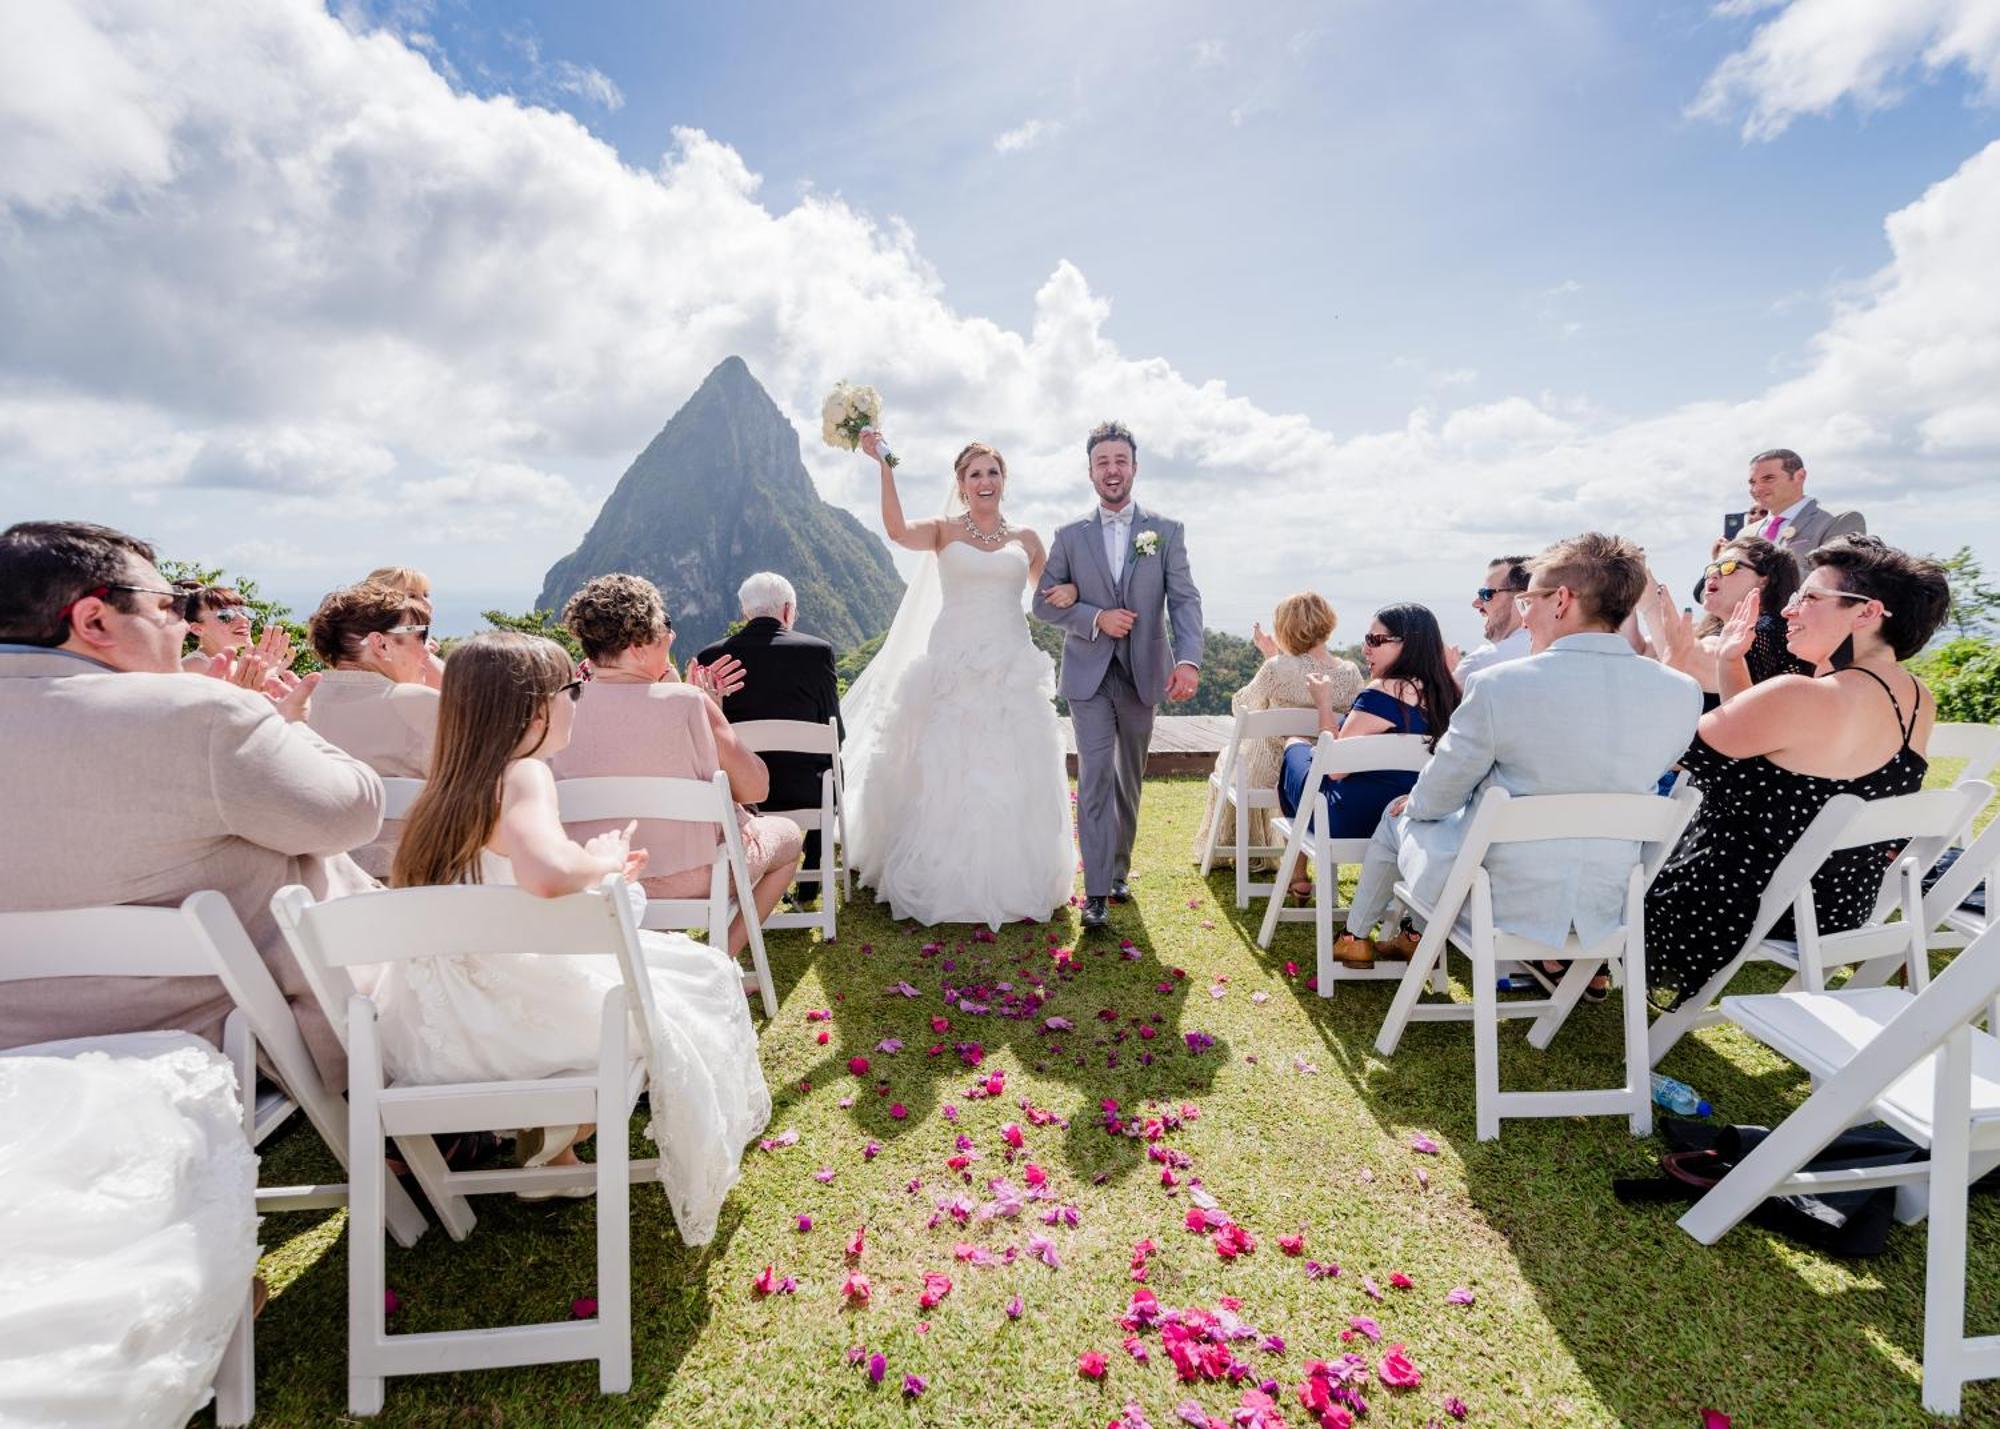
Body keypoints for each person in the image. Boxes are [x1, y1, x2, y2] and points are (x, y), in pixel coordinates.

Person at [381, 632, 770, 1237]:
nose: (576, 701)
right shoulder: (525, 776)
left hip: (436, 1033)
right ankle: (564, 1134)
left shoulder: (442, 793)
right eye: (572, 690)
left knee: (675, 976)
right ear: (537, 709)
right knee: (703, 978)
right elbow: (546, 874)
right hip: (512, 1029)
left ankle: (557, 1155)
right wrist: (605, 862)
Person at [0, 521, 377, 1081]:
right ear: (94, 620)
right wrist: (285, 721)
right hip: (211, 1041)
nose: (181, 623)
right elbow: (350, 815)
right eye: (172, 606)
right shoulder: (200, 714)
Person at [1335, 533, 1703, 974]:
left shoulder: (1500, 686)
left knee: (1400, 813)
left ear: (1561, 600)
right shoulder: (1682, 693)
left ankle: (1357, 937)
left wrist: (1412, 804)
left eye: (1528, 601)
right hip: (1606, 904)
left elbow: (1436, 798)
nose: (1525, 618)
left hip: (1497, 901)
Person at [1644, 536, 1949, 1007]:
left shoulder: (1801, 695)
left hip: (1722, 904)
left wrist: (1670, 664)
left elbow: (1664, 748)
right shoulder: (1916, 699)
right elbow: (1763, 741)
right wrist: (1732, 661)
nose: (1789, 610)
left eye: (1808, 597)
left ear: (1867, 613)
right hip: (1835, 905)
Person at [841, 432, 1076, 928]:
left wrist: (1070, 591)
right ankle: (943, 876)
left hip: (1010, 663)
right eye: (975, 474)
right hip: (954, 662)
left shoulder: (1026, 539)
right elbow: (897, 530)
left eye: (993, 472)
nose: (985, 481)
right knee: (947, 765)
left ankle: (1014, 877)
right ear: (961, 484)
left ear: (1003, 481)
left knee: (1013, 768)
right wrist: (885, 464)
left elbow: (1048, 594)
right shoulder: (944, 531)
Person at [549, 574, 800, 957]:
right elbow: (756, 788)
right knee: (790, 836)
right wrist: (712, 708)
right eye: (664, 626)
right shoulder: (689, 704)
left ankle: (662, 955)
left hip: (600, 874)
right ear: (637, 646)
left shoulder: (558, 707)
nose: (671, 636)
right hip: (698, 877)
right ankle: (721, 959)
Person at [1032, 422, 1205, 929]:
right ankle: (1097, 893)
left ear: (1133, 467)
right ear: (1090, 471)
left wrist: (1189, 659)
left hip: (1143, 672)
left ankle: (1119, 871)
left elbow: (1186, 601)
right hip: (1088, 675)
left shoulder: (1166, 532)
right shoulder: (1068, 536)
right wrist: (1092, 616)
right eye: (1102, 462)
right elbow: (1042, 605)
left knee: (1129, 780)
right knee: (1094, 777)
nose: (1112, 470)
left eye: (1120, 461)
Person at [1277, 604, 1459, 902]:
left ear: (1408, 643)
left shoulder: (1382, 693)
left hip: (1351, 820)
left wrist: (1323, 703)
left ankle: (1297, 871)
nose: (1365, 648)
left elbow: (1334, 769)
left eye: (1375, 640)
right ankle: (1298, 870)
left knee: (1294, 745)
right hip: (1415, 819)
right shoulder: (1451, 694)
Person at [1190, 591, 1360, 864]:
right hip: (1320, 774)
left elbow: (1242, 707)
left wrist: (1271, 660)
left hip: (1267, 774)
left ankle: (1230, 848)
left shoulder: (1277, 669)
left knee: (1228, 759)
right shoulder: (1350, 673)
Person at [694, 571, 843, 873]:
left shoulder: (711, 656)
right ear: (788, 610)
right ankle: (813, 871)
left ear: (745, 612)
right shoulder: (817, 653)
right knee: (831, 767)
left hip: (740, 793)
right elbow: (835, 732)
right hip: (806, 791)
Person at [304, 581, 444, 877]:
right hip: (416, 887)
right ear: (380, 644)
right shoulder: (422, 706)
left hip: (320, 886)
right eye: (420, 635)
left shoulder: (295, 705)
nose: (428, 651)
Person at [1643, 535, 1808, 712]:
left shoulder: (1775, 630)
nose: (1713, 574)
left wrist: (1650, 599)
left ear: (1763, 580)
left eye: (1728, 567)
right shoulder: (1717, 633)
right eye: (1712, 567)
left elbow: (1692, 660)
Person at [1742, 449, 1865, 575]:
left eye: (1768, 479)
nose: (1757, 489)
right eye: (1752, 482)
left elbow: (1836, 579)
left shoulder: (1839, 520)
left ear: (1799, 476)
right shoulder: (1745, 534)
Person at [1455, 555, 1533, 682]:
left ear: (1520, 599)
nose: (1476, 603)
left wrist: (1447, 677)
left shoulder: (1480, 664)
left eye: (1486, 594)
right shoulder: (1561, 651)